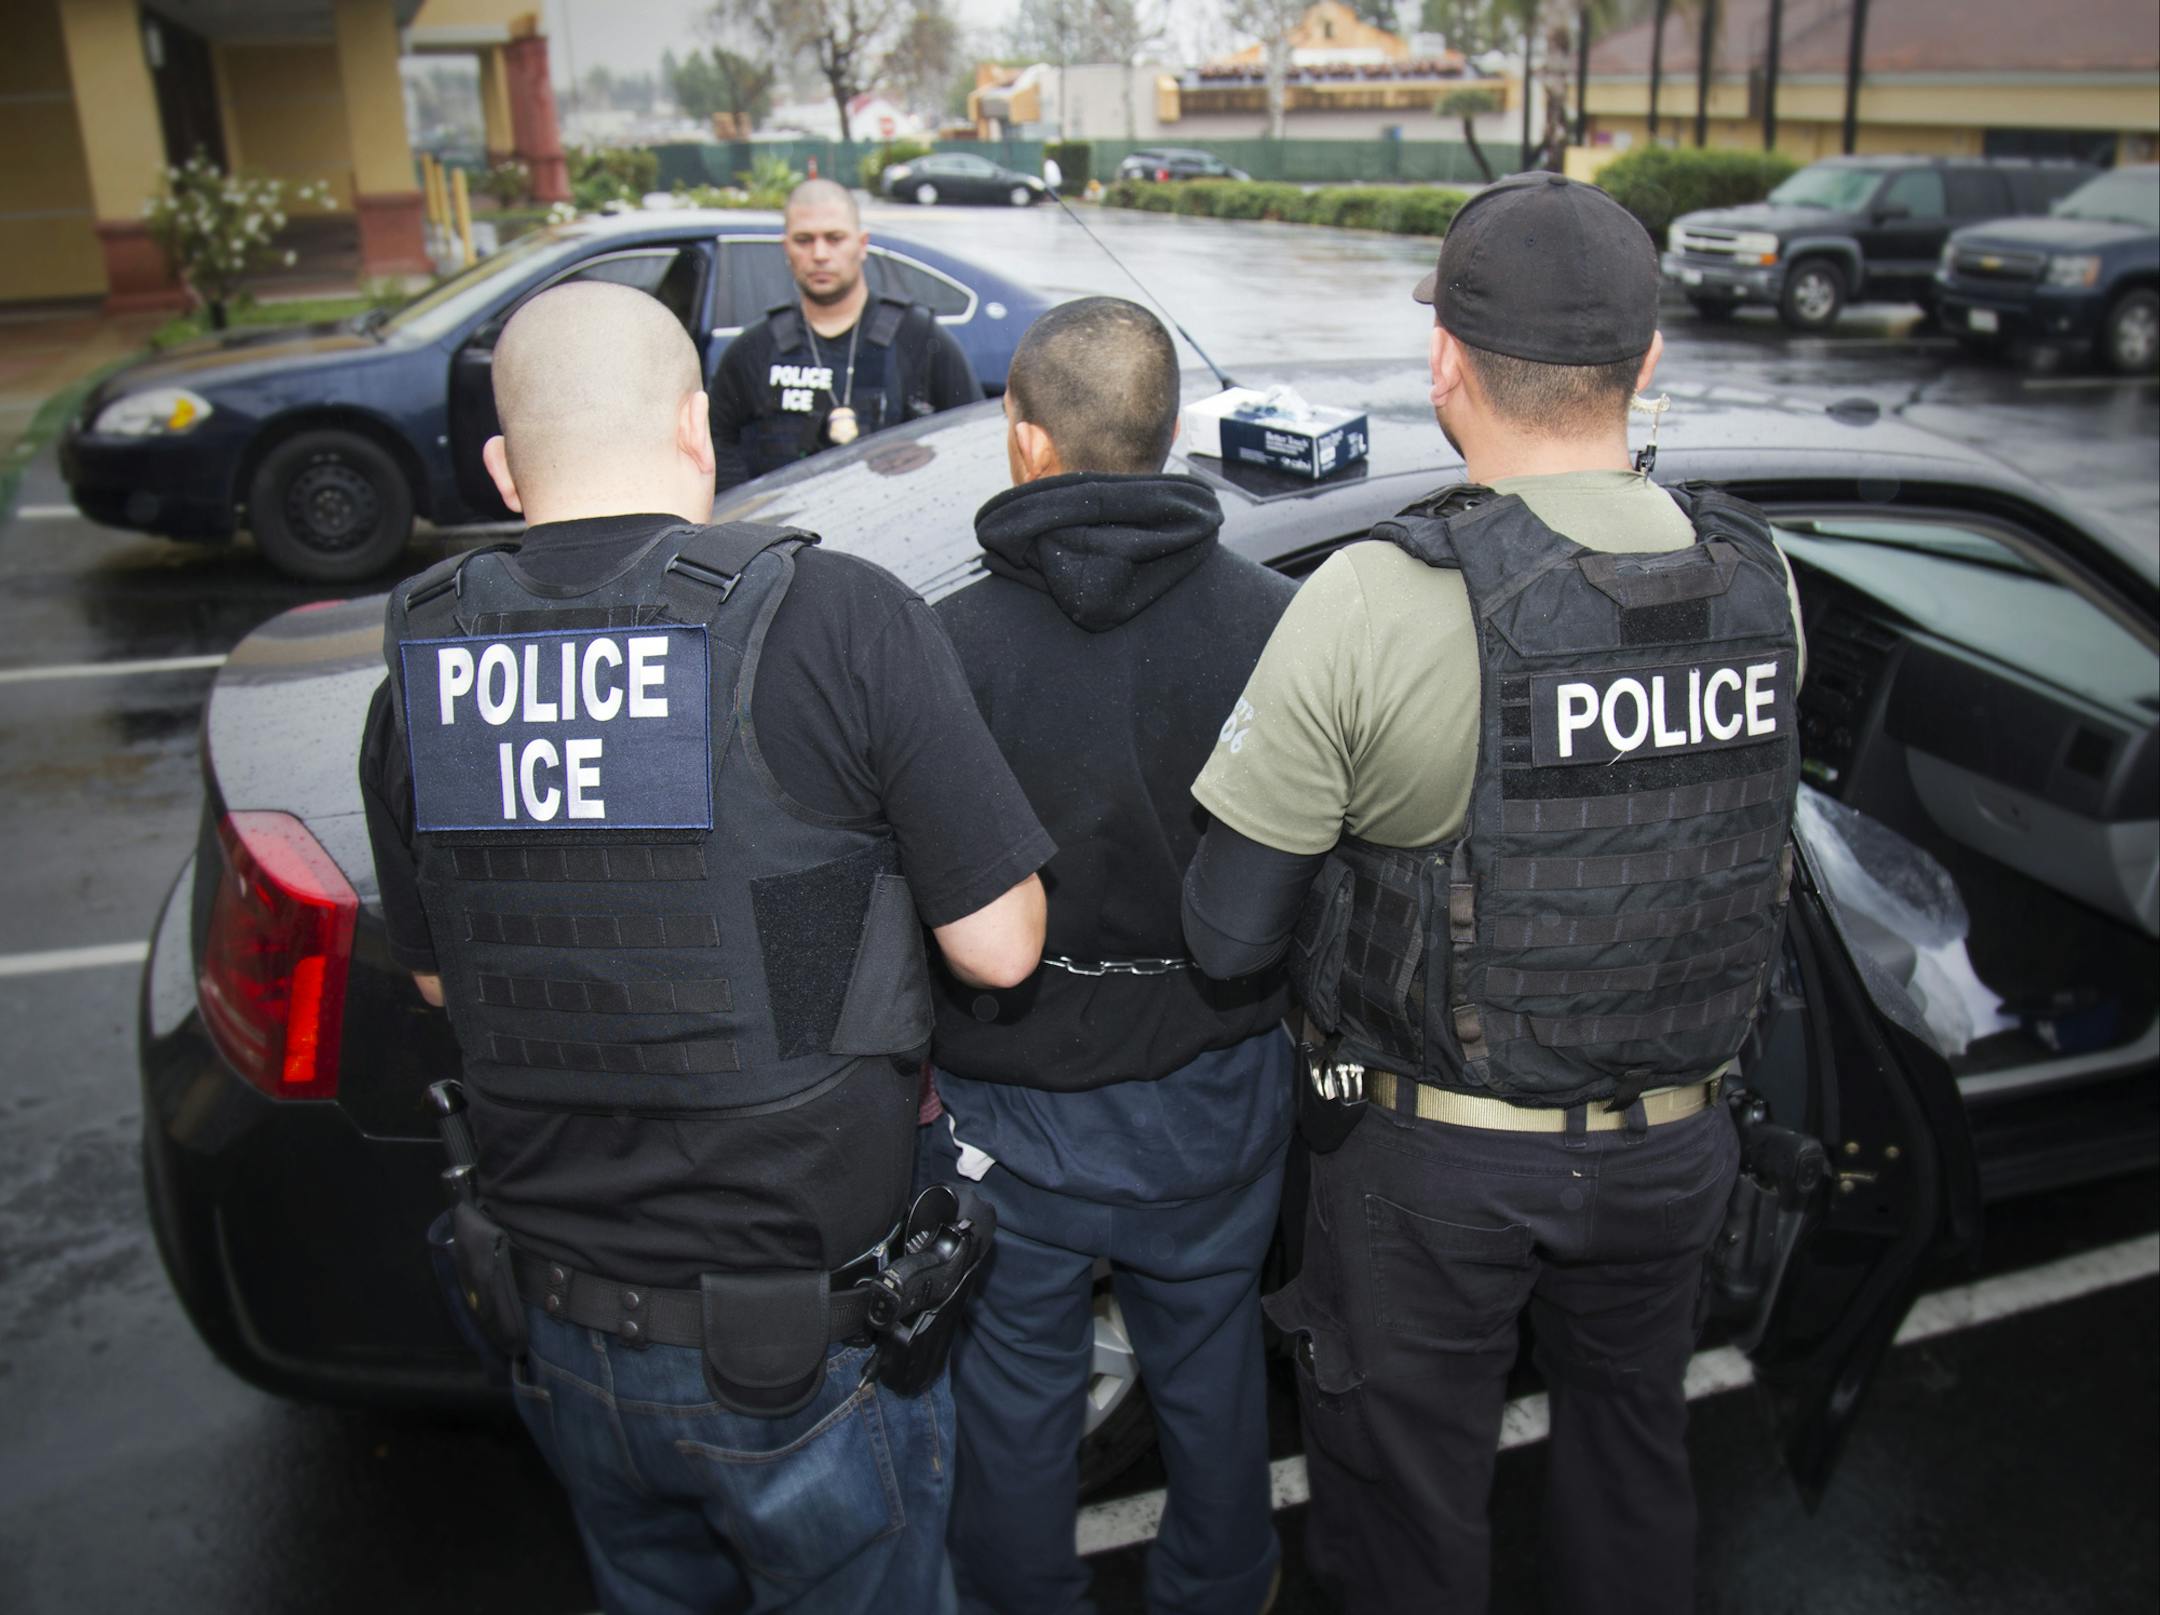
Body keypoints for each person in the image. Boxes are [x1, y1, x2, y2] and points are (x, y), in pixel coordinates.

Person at [358, 279, 1054, 1615]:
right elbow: (1004, 945)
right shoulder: (835, 619)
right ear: (699, 427)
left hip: (560, 1323)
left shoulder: (427, 672)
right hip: (795, 1344)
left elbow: (449, 980)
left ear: (504, 468)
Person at [1180, 172, 1808, 1615]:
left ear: (1444, 361)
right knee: (1635, 1457)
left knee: (1406, 1509)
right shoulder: (1760, 578)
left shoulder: (1374, 596)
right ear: (1647, 364)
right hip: (1678, 1144)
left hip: (1436, 1174)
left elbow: (1226, 930)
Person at [918, 297, 1299, 1615]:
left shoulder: (940, 648)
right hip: (1214, 1080)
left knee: (1015, 1389)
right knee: (1208, 1359)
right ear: (1169, 433)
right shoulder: (1279, 623)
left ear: (1025, 444)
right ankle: (1224, 1584)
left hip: (1005, 1102)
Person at [710, 178, 982, 490]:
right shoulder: (753, 350)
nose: (820, 254)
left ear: (862, 244)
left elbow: (968, 440)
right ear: (786, 249)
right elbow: (717, 446)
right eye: (804, 240)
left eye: (835, 238)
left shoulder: (919, 338)